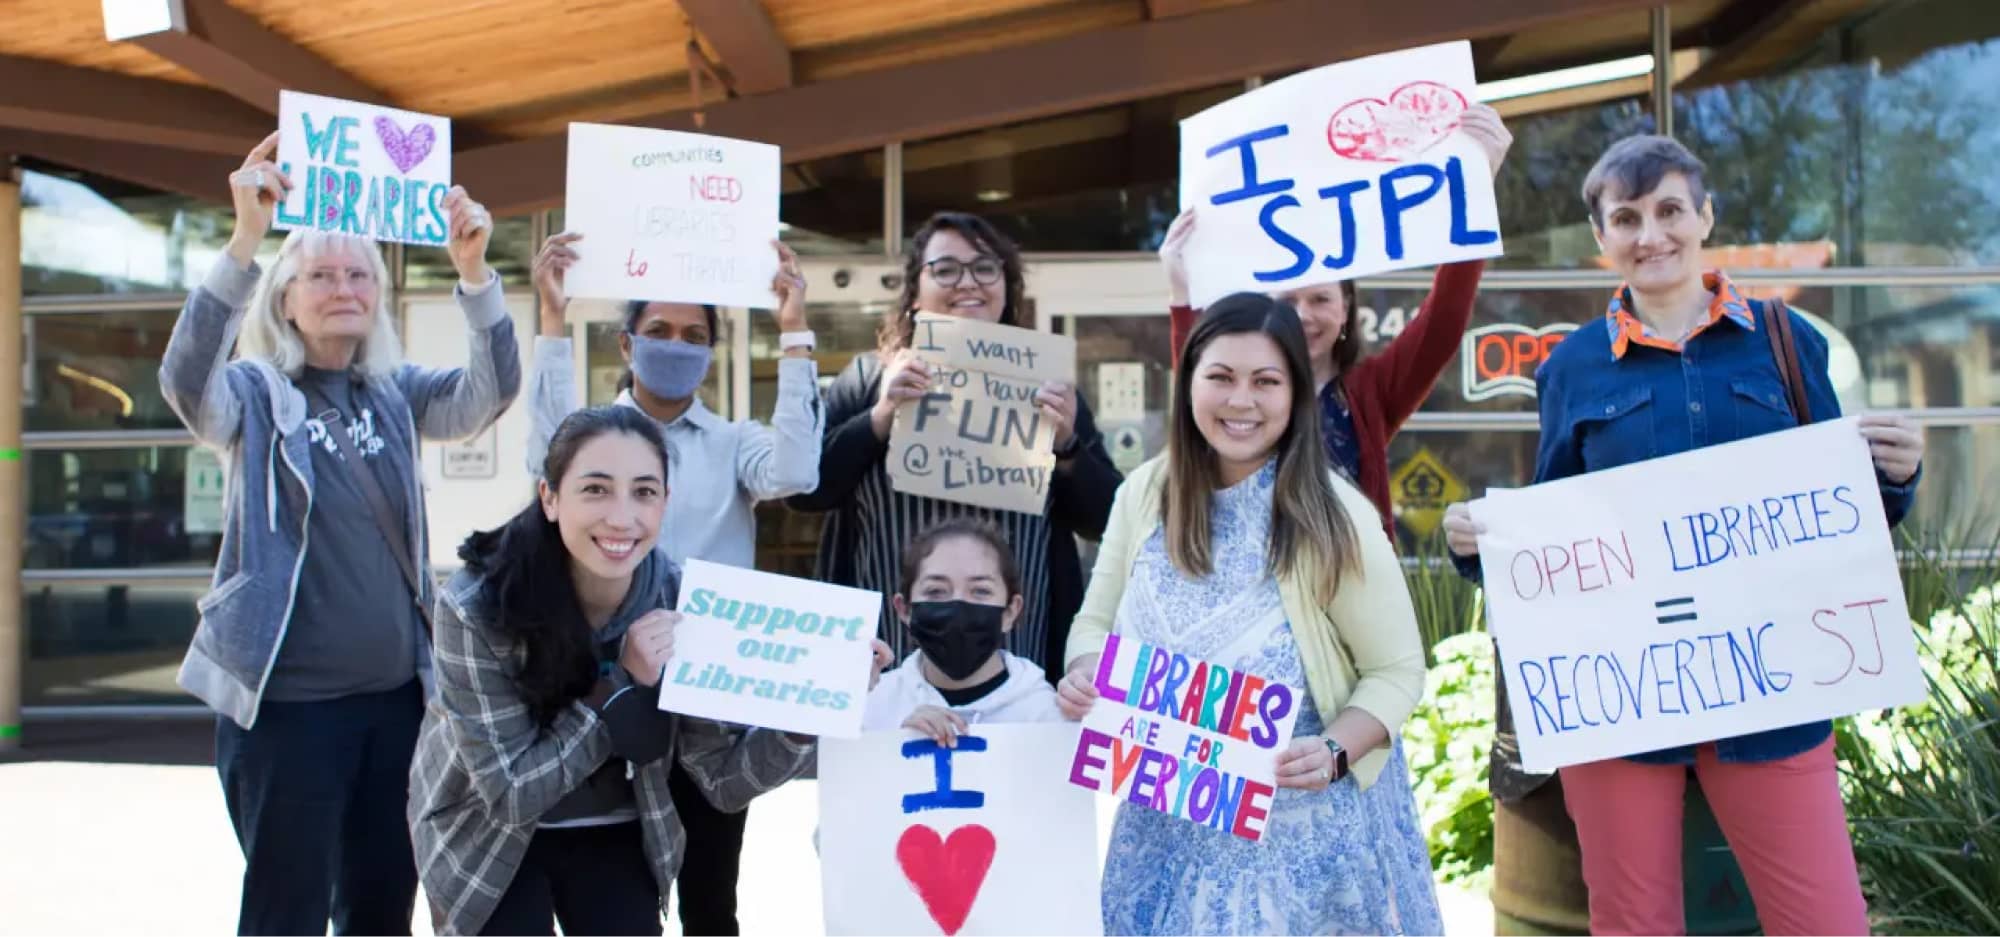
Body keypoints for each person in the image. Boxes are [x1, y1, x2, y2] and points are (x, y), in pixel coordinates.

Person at [1441, 134, 1926, 936]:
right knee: (1635, 924)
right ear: (1602, 239)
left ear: (1705, 217)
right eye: (1625, 217)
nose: (1650, 234)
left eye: (1669, 209)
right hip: (1623, 697)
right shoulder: (1573, 368)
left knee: (1827, 921)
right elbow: (1557, 540)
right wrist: (1481, 551)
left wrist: (1895, 478)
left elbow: (1840, 524)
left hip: (1774, 682)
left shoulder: (1785, 341)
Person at [157, 132, 519, 935]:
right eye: (319, 274)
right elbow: (185, 380)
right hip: (288, 715)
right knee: (286, 913)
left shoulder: (391, 393)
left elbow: (489, 394)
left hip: (397, 707)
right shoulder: (254, 393)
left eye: (359, 274)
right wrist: (246, 237)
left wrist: (473, 273)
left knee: (382, 906)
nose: (343, 286)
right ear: (284, 297)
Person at [1056, 292, 1438, 935]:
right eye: (1221, 378)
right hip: (1161, 841)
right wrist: (1087, 672)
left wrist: (1335, 750)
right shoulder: (1143, 493)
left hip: (1302, 855)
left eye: (1266, 381)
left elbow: (1398, 671)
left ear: (1295, 394)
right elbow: (1093, 623)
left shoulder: (1335, 516)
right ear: (1189, 385)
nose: (1241, 402)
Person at [410, 406, 838, 936]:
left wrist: (807, 714)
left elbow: (721, 780)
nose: (621, 517)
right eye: (595, 490)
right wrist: (621, 686)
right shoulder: (474, 606)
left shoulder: (680, 601)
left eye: (643, 492)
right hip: (488, 832)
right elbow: (511, 793)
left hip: (616, 824)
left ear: (665, 504)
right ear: (549, 497)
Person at [523, 233, 820, 935]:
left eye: (694, 335)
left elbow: (797, 471)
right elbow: (545, 452)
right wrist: (552, 321)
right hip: (604, 684)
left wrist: (796, 333)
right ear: (626, 345)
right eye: (659, 331)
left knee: (711, 900)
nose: (677, 344)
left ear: (712, 353)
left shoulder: (732, 442)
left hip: (709, 704)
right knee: (612, 890)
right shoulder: (593, 440)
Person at [787, 211, 1124, 682]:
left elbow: (1109, 519)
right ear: (915, 289)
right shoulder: (869, 379)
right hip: (882, 663)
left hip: (1020, 661)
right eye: (945, 269)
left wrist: (1068, 446)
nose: (968, 282)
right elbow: (805, 491)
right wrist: (879, 419)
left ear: (1007, 286)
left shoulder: (1049, 388)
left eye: (986, 267)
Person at [1158, 103, 1513, 544]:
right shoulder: (1239, 391)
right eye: (1288, 300)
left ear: (1346, 308)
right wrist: (1181, 293)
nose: (1304, 313)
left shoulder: (1369, 392)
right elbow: (1195, 380)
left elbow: (1442, 321)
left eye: (1320, 299)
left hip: (1349, 589)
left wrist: (1473, 190)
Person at [863, 518, 1065, 744]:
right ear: (904, 610)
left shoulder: (1047, 715)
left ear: (1010, 612)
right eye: (936, 591)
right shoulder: (870, 703)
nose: (958, 603)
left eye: (980, 591)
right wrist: (894, 743)